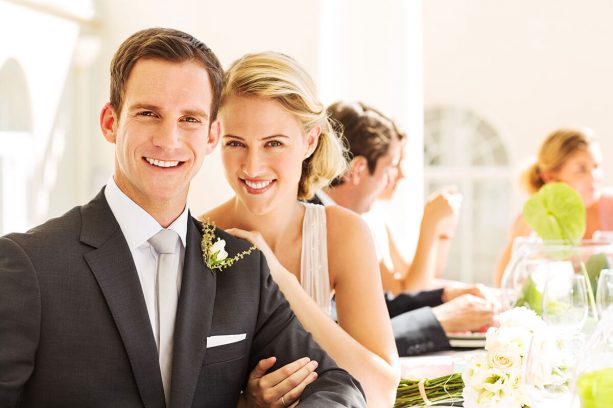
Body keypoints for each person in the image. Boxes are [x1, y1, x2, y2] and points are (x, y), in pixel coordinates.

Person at [0, 28, 366, 407]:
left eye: (190, 119)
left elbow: (337, 386)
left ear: (211, 136)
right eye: (148, 113)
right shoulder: (29, 265)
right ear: (110, 122)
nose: (169, 139)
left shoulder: (243, 268)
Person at [203, 52, 400, 406]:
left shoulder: (344, 234)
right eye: (236, 143)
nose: (252, 165)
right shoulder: (197, 239)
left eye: (273, 143)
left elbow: (381, 390)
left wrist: (278, 277)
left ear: (310, 141)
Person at [320, 101, 496, 355]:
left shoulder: (346, 218)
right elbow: (342, 338)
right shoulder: (314, 222)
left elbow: (374, 305)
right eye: (390, 166)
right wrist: (440, 319)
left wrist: (443, 296)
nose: (397, 176)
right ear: (358, 168)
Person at [495, 128, 613, 286]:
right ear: (550, 177)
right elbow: (504, 285)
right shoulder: (532, 220)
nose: (594, 177)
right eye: (580, 169)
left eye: (596, 166)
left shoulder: (609, 206)